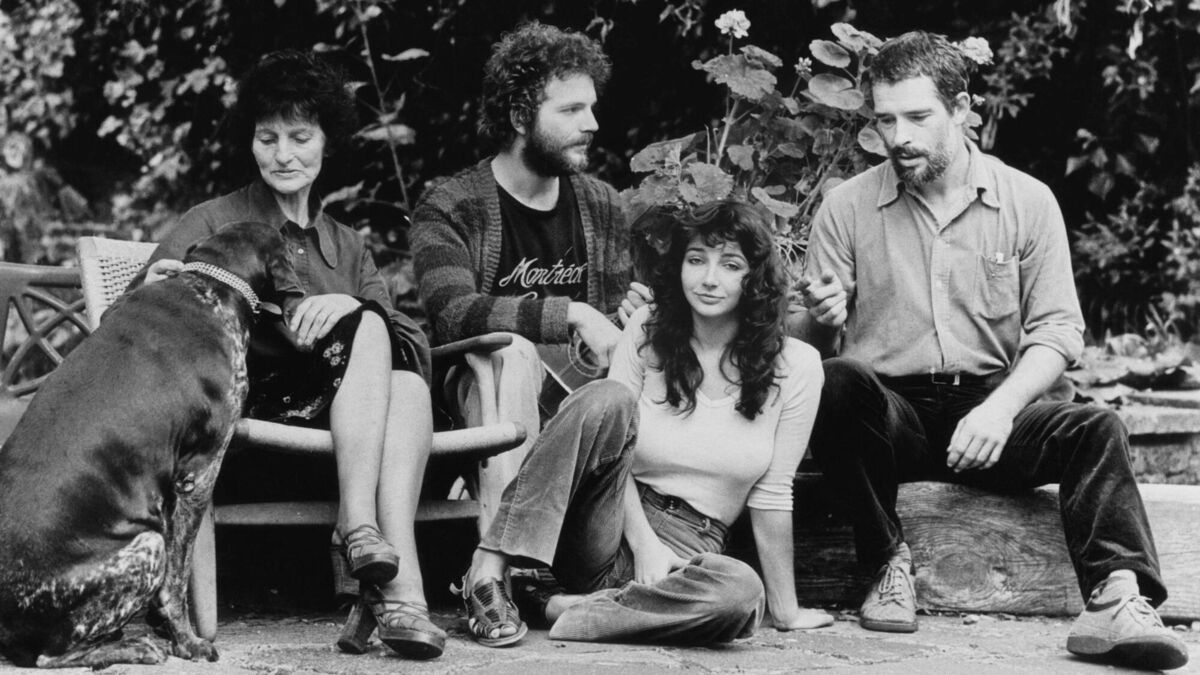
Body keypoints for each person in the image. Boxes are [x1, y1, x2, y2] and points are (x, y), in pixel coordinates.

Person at [793, 31, 1188, 670]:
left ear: (962, 108)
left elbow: (1059, 331)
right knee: (836, 381)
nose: (900, 137)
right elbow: (807, 355)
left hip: (995, 407)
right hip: (895, 415)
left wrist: (1002, 408)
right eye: (885, 120)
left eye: (918, 117)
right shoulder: (846, 208)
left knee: (1096, 426)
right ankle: (886, 565)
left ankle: (1118, 597)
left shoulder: (1027, 201)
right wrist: (819, 319)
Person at [137, 50, 444, 660]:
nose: (283, 155)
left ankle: (389, 578)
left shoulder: (346, 245)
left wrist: (358, 315)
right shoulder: (215, 221)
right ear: (250, 141)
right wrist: (168, 285)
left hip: (340, 442)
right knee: (371, 327)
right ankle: (371, 550)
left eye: (300, 137)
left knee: (399, 368)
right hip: (247, 434)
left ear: (327, 143)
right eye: (267, 137)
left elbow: (412, 346)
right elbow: (146, 313)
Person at [455, 200, 833, 647]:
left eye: (731, 264)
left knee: (742, 594)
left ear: (756, 278)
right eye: (696, 260)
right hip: (607, 519)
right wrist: (644, 543)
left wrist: (786, 612)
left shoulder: (799, 366)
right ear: (678, 267)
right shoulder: (646, 329)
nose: (709, 278)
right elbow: (617, 443)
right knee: (606, 398)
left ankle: (559, 608)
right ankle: (488, 569)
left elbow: (773, 493)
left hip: (689, 549)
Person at [411, 22, 648, 520]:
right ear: (520, 116)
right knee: (512, 355)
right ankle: (509, 558)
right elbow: (453, 315)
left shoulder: (602, 203)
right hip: (480, 391)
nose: (593, 124)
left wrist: (633, 314)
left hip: (579, 400)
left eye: (591, 107)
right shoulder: (451, 205)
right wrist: (574, 313)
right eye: (571, 110)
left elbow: (612, 326)